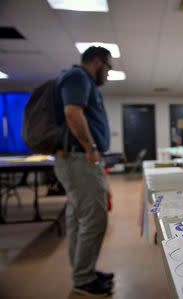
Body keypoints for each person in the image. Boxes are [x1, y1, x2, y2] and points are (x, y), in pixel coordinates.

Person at [53, 46, 114, 296]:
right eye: (108, 68)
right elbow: (72, 112)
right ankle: (83, 278)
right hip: (79, 158)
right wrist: (90, 147)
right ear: (98, 61)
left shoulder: (82, 80)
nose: (108, 74)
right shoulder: (78, 77)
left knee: (79, 218)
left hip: (75, 159)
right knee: (94, 218)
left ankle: (83, 270)